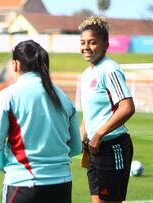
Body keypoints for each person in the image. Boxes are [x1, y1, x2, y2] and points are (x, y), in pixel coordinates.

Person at [0, 39, 81, 203]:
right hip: (62, 185)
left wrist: (5, 166)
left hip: (23, 182)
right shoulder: (62, 96)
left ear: (15, 65)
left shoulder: (9, 95)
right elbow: (76, 147)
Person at [78, 16, 135, 203]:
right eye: (83, 42)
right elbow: (88, 115)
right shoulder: (87, 74)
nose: (86, 47)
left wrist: (99, 134)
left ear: (106, 45)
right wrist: (81, 137)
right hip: (94, 150)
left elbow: (127, 107)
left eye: (93, 42)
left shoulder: (109, 69)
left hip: (113, 147)